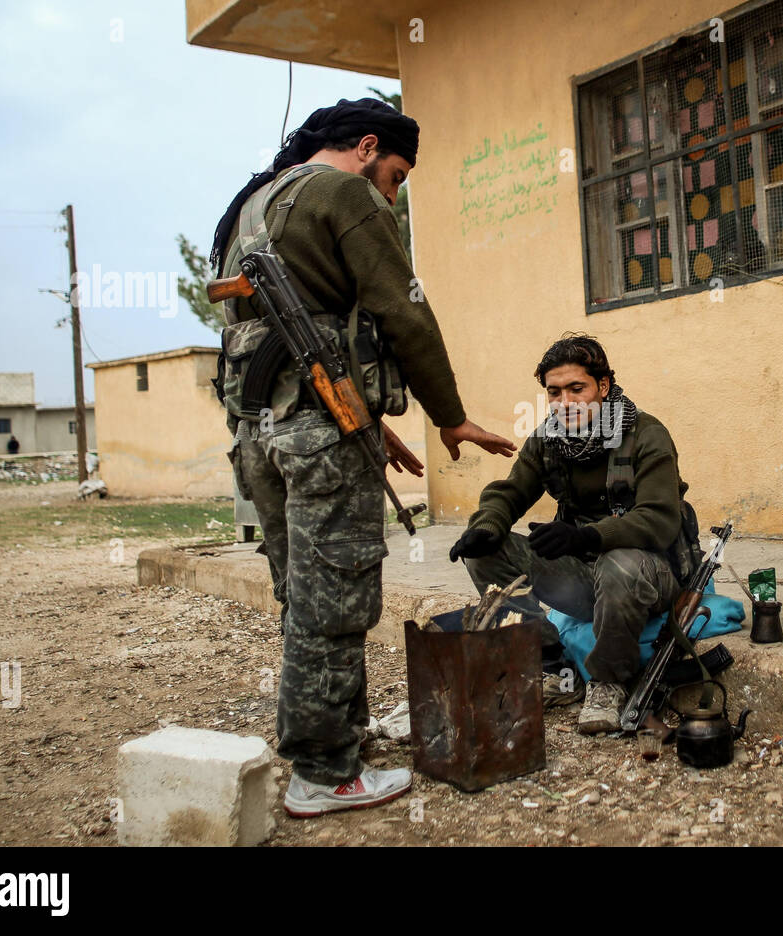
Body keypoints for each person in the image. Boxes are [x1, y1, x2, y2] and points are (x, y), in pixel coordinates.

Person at [211, 98, 515, 816]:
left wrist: (370, 425)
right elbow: (404, 311)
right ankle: (326, 773)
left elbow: (288, 340)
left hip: (260, 436)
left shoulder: (253, 203)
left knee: (304, 595)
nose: (393, 193)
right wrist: (451, 417)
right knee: (337, 598)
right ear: (367, 146)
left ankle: (340, 734)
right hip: (318, 437)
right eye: (397, 176)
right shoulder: (342, 192)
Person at [449, 335, 698, 734]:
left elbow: (659, 519)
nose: (565, 401)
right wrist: (487, 525)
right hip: (585, 580)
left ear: (603, 386)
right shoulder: (549, 440)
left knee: (621, 564)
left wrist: (585, 537)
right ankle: (555, 667)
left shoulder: (646, 434)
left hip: (648, 577)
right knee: (483, 550)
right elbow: (509, 492)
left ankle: (608, 680)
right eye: (554, 392)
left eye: (576, 388)